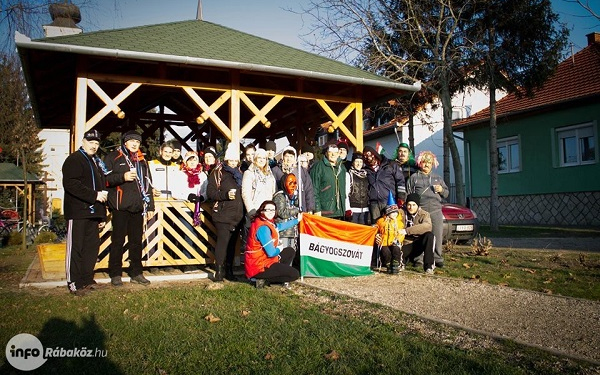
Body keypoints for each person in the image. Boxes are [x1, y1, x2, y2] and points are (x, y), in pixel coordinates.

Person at [104, 130, 154, 286]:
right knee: (118, 240)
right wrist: (122, 177)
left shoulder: (142, 161)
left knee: (136, 242)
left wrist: (150, 205)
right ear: (125, 142)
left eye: (137, 142)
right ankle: (115, 274)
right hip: (120, 206)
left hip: (137, 206)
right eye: (131, 140)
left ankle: (136, 272)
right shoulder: (113, 157)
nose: (134, 144)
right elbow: (104, 179)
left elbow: (148, 184)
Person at [62, 129, 108, 296]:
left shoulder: (96, 163)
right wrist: (94, 196)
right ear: (83, 142)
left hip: (94, 213)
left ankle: (87, 279)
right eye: (91, 142)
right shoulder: (74, 160)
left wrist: (102, 214)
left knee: (91, 248)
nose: (94, 146)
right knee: (76, 248)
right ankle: (73, 282)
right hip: (78, 211)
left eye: (97, 143)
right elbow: (71, 184)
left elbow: (102, 188)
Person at [206, 143, 244, 281]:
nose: (233, 163)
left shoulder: (240, 174)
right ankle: (219, 272)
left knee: (232, 244)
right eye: (231, 160)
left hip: (237, 215)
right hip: (222, 214)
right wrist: (226, 195)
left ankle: (229, 271)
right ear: (226, 160)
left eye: (236, 160)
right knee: (223, 242)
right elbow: (210, 192)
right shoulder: (217, 172)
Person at [245, 200, 301, 288]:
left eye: (273, 210)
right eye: (268, 210)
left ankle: (272, 274)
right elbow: (271, 253)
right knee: (295, 274)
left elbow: (280, 227)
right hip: (259, 267)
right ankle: (262, 279)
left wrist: (297, 220)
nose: (271, 212)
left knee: (290, 251)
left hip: (264, 260)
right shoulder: (263, 228)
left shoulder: (264, 221)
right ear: (262, 211)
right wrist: (279, 248)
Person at [407, 151, 449, 268]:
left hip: (436, 211)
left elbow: (446, 193)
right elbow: (408, 194)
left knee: (437, 235)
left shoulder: (438, 178)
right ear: (420, 163)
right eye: (424, 162)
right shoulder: (414, 178)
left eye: (429, 163)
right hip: (421, 212)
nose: (426, 165)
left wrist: (441, 190)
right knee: (419, 235)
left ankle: (437, 258)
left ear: (433, 164)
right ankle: (418, 259)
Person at [171, 151, 208, 271]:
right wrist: (187, 196)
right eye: (190, 160)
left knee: (199, 234)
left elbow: (206, 190)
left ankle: (198, 258)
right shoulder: (180, 174)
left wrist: (203, 196)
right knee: (188, 233)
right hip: (184, 208)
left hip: (199, 209)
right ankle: (187, 260)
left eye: (195, 160)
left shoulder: (202, 175)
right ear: (186, 162)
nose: (192, 163)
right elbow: (175, 191)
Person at [241, 148, 277, 257]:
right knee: (254, 240)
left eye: (264, 158)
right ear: (255, 159)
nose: (262, 160)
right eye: (259, 158)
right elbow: (245, 194)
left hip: (268, 212)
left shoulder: (270, 174)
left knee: (266, 240)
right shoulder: (249, 173)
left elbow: (273, 192)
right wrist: (252, 212)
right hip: (255, 211)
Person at [363, 145, 405, 222]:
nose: (368, 158)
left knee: (391, 224)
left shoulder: (390, 164)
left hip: (389, 201)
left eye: (370, 155)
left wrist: (401, 197)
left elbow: (400, 180)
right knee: (377, 226)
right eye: (365, 156)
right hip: (374, 204)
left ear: (375, 154)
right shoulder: (366, 170)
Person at [271, 145, 315, 213]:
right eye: (286, 156)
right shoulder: (276, 170)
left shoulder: (301, 171)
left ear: (295, 157)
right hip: (282, 208)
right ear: (283, 157)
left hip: (300, 205)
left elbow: (308, 189)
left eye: (291, 156)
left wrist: (310, 208)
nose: (289, 159)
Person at [400, 193, 436, 274]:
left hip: (418, 243)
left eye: (414, 205)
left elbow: (427, 226)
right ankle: (402, 262)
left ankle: (429, 266)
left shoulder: (424, 214)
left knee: (430, 236)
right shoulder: (400, 213)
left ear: (418, 205)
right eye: (409, 205)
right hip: (404, 243)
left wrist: (407, 231)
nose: (411, 207)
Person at [310, 144, 347, 219]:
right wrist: (317, 208)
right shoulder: (318, 167)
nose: (333, 154)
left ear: (338, 154)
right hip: (325, 211)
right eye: (330, 152)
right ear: (326, 153)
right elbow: (313, 189)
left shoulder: (342, 167)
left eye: (335, 152)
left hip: (340, 211)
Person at [374, 192, 405, 274]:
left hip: (395, 242)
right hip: (384, 242)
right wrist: (377, 235)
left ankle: (395, 265)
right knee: (385, 252)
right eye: (392, 212)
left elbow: (401, 233)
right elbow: (376, 229)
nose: (394, 214)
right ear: (388, 213)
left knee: (396, 251)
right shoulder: (381, 221)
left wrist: (399, 240)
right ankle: (388, 264)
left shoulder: (399, 223)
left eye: (395, 212)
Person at [272, 173, 301, 252]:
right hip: (283, 232)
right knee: (283, 255)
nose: (293, 185)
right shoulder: (280, 196)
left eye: (295, 183)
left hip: (292, 231)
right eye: (290, 182)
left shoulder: (293, 197)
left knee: (291, 255)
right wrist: (297, 210)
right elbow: (282, 212)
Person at [345, 152, 370, 225]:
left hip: (365, 210)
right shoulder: (349, 174)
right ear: (353, 162)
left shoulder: (366, 175)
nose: (359, 164)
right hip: (353, 209)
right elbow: (346, 193)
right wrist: (347, 208)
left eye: (360, 162)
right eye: (356, 161)